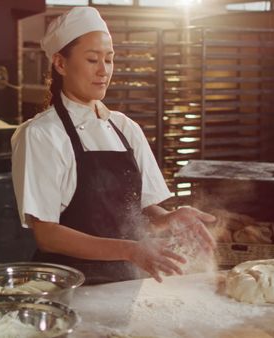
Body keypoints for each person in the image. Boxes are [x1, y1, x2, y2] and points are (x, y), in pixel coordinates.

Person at [11, 7, 216, 285]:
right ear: (60, 63)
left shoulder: (125, 128)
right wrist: (130, 249)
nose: (103, 71)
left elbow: (139, 212)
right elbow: (47, 235)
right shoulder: (42, 135)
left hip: (126, 283)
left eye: (109, 60)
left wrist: (171, 218)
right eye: (93, 59)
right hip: (68, 286)